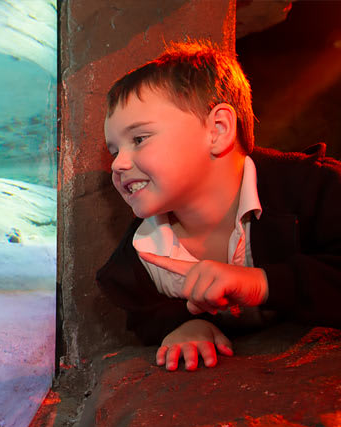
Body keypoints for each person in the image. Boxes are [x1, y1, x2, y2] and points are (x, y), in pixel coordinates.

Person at [96, 40, 341, 372]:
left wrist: (262, 283)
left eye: (139, 139)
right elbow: (144, 313)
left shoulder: (316, 190)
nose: (118, 164)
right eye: (114, 151)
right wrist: (180, 325)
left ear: (218, 130)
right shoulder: (136, 258)